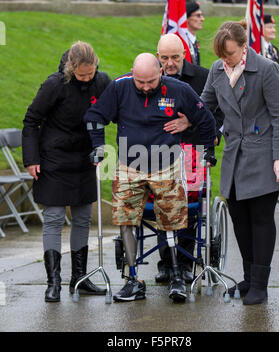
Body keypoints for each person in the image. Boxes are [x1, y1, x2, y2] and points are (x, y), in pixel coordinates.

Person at [83, 53, 216, 302]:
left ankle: (176, 276)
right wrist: (98, 145)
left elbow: (205, 119)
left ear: (161, 73)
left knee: (172, 219)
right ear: (132, 73)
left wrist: (208, 148)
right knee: (125, 220)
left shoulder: (179, 90)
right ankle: (133, 279)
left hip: (165, 163)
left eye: (151, 82)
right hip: (129, 165)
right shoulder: (120, 87)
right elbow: (94, 116)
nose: (145, 87)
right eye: (140, 82)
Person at [198, 21, 279, 305]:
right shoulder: (218, 70)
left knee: (261, 219)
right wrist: (197, 124)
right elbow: (205, 105)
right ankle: (248, 278)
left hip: (266, 154)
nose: (225, 60)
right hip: (234, 155)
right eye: (221, 55)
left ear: (244, 47)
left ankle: (260, 285)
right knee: (240, 220)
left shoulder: (267, 70)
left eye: (229, 54)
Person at [22, 41, 111, 302]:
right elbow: (31, 121)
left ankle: (80, 279)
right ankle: (53, 283)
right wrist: (31, 158)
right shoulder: (54, 85)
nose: (87, 78)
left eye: (90, 73)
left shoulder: (101, 81)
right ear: (71, 69)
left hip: (84, 157)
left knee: (83, 218)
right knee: (54, 218)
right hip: (54, 158)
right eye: (82, 75)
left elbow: (113, 108)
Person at [154, 33, 224, 284]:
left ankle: (184, 262)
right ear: (157, 56)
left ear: (184, 54)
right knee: (163, 204)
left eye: (175, 57)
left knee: (189, 207)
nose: (169, 63)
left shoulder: (203, 76)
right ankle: (165, 262)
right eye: (164, 58)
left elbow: (220, 114)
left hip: (194, 153)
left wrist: (193, 122)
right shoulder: (152, 78)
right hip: (160, 155)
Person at [185, 1, 204, 66]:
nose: (202, 19)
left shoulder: (193, 40)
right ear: (187, 18)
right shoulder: (183, 42)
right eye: (198, 15)